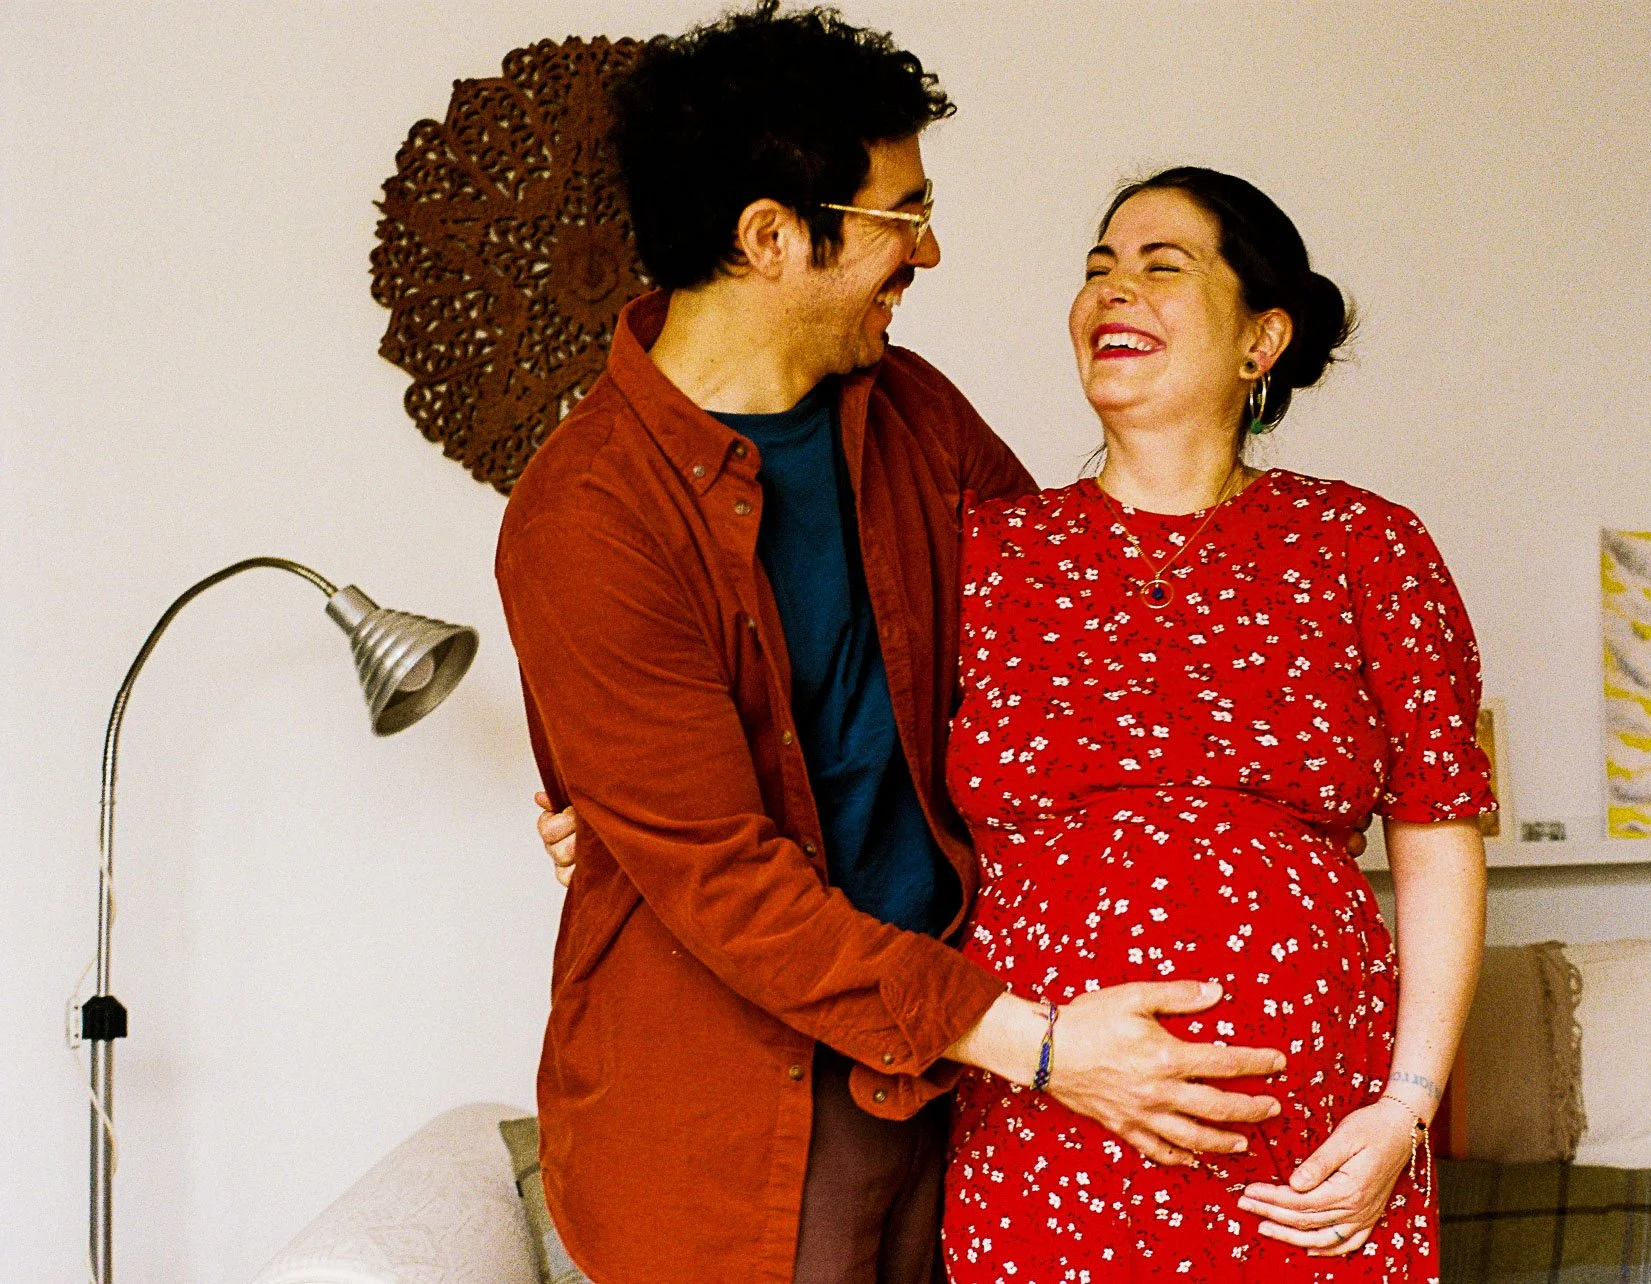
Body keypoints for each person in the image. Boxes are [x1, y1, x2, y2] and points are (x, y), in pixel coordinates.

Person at [495, 8, 1302, 1284]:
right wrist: (1042, 1046)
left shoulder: (912, 411)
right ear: (772, 237)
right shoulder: (586, 517)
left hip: (955, 1065)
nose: (928, 249)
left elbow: (1080, 645)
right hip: (736, 1116)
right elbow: (726, 881)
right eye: (900, 215)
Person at [939, 169, 1491, 1280]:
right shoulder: (983, 554)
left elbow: (1439, 836)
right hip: (1047, 1133)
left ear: (1261, 340)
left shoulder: (1365, 546)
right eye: (1098, 269)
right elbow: (838, 772)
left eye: (1162, 267)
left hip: (1310, 1152)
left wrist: (1408, 1108)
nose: (1113, 291)